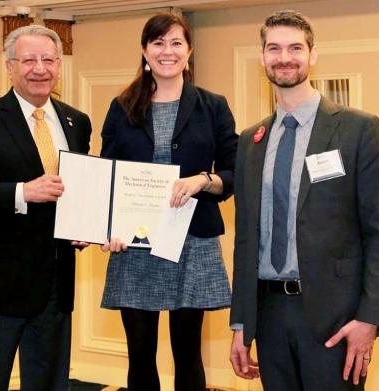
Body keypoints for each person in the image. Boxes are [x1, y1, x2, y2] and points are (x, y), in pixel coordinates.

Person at [230, 9, 379, 391]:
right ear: (263, 57)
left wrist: (369, 318)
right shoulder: (250, 141)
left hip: (336, 319)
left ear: (312, 55)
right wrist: (241, 323)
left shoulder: (358, 129)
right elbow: (245, 240)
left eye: (295, 48)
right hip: (268, 315)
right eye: (274, 48)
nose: (284, 57)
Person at [0, 25, 91, 391]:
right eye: (28, 60)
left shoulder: (76, 121)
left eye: (47, 59)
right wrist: (22, 193)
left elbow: (79, 191)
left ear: (59, 65)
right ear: (10, 67)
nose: (39, 68)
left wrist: (84, 226)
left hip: (56, 287)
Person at [100, 12, 238, 391]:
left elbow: (234, 170)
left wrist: (203, 180)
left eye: (176, 43)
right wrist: (107, 228)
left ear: (189, 51)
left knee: (188, 351)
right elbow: (105, 175)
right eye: (158, 43)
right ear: (145, 51)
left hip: (191, 240)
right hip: (134, 245)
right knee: (140, 353)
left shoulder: (213, 106)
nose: (167, 51)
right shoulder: (122, 106)